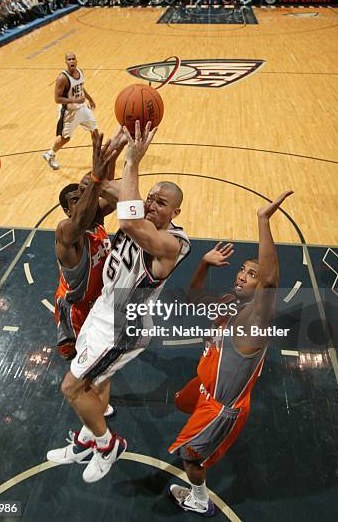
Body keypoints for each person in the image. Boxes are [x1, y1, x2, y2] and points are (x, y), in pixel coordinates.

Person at [47, 121, 191, 483]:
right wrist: (108, 156)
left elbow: (129, 224)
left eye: (162, 203)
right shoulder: (136, 208)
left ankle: (107, 444)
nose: (152, 204)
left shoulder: (173, 243)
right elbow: (97, 186)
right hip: (103, 310)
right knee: (96, 381)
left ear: (175, 214)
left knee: (71, 386)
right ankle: (84, 440)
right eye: (151, 198)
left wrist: (132, 161)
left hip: (123, 324)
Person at [168, 190, 293, 516]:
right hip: (207, 388)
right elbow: (193, 299)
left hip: (221, 407)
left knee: (190, 456)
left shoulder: (256, 319)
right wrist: (203, 265)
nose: (243, 275)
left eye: (252, 274)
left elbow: (270, 280)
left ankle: (199, 499)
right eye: (243, 270)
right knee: (181, 404)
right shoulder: (230, 303)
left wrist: (263, 220)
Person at [54, 127, 126, 360]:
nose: (84, 200)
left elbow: (108, 193)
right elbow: (81, 217)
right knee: (79, 364)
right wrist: (95, 178)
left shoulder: (95, 217)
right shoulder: (65, 231)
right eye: (76, 199)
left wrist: (116, 152)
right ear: (67, 210)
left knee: (102, 357)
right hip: (77, 312)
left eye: (84, 196)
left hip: (100, 304)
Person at [43, 53, 96, 170]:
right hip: (69, 112)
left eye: (73, 59)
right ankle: (50, 154)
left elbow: (81, 87)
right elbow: (57, 99)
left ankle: (97, 157)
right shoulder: (62, 78)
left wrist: (90, 98)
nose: (71, 61)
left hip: (82, 108)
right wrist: (75, 100)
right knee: (65, 138)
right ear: (66, 62)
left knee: (94, 130)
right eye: (69, 59)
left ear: (76, 61)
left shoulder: (80, 72)